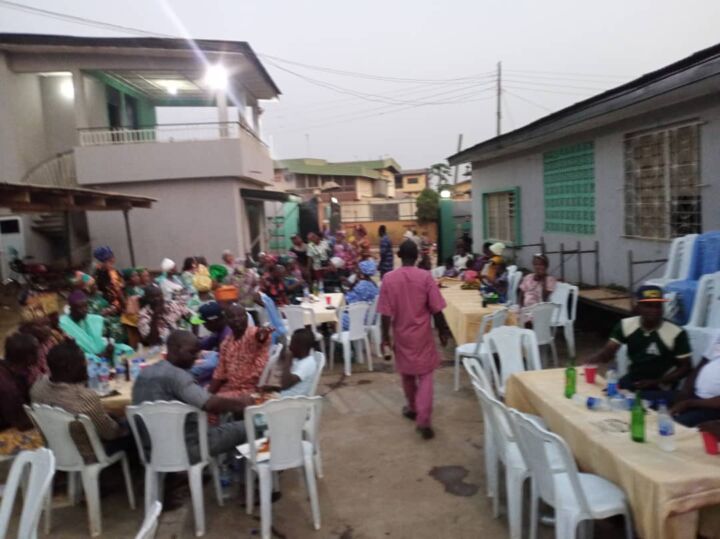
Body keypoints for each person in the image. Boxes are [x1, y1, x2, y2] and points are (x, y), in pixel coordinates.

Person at [132, 330, 251, 461]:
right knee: (251, 426)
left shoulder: (144, 373)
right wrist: (242, 403)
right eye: (192, 352)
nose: (196, 357)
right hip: (188, 449)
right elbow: (209, 404)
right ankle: (250, 475)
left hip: (152, 451)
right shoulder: (177, 376)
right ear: (175, 349)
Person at [378, 240, 450, 440]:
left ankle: (412, 408)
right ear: (417, 256)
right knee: (426, 375)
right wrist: (443, 330)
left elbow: (385, 313)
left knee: (407, 374)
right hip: (423, 335)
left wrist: (385, 336)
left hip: (401, 335)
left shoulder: (389, 279)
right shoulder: (425, 277)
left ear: (399, 256)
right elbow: (436, 308)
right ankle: (424, 419)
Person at [586, 285, 692, 399]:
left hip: (661, 384)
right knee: (607, 396)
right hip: (634, 379)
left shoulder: (676, 332)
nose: (654, 310)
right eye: (648, 306)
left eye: (658, 306)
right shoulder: (625, 325)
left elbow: (686, 367)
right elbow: (608, 353)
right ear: (638, 307)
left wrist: (656, 381)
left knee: (633, 403)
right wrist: (593, 360)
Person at [30, 340, 129, 455]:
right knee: (134, 425)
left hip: (56, 448)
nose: (86, 365)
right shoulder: (85, 398)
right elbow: (110, 434)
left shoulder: (37, 387)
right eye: (83, 362)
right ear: (71, 368)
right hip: (88, 452)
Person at [208, 304, 273, 399]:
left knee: (213, 402)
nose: (237, 319)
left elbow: (261, 337)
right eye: (232, 317)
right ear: (226, 321)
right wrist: (207, 395)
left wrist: (262, 335)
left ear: (247, 318)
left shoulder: (252, 333)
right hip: (231, 387)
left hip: (251, 390)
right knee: (203, 395)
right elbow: (219, 373)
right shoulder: (226, 343)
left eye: (241, 316)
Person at [0, 333, 44, 456]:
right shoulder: (8, 388)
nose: (40, 353)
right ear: (29, 357)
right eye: (37, 351)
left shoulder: (10, 368)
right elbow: (22, 423)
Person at [669, 331, 720, 426]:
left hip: (713, 407)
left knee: (672, 426)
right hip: (694, 396)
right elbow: (703, 362)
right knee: (643, 400)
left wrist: (689, 403)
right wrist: (685, 391)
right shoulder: (718, 334)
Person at [17, 292, 65, 383]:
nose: (47, 328)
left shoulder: (51, 337)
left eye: (47, 324)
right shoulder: (28, 350)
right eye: (41, 326)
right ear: (28, 328)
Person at [59, 290, 114, 360]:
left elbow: (102, 338)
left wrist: (109, 344)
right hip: (83, 360)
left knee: (126, 350)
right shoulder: (64, 324)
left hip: (102, 352)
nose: (84, 310)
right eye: (80, 307)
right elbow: (73, 353)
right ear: (71, 309)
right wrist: (99, 356)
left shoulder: (91, 319)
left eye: (86, 306)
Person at [266, 328, 318, 397]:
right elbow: (281, 357)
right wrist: (273, 388)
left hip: (290, 402)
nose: (289, 346)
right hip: (282, 396)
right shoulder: (298, 358)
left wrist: (288, 360)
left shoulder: (307, 364)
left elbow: (285, 385)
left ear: (300, 347)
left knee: (249, 401)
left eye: (292, 343)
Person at [93, 246, 126, 343]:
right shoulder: (106, 273)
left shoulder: (104, 272)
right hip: (110, 306)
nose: (113, 259)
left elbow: (119, 292)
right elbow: (118, 291)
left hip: (110, 306)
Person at [342, 259, 379, 330]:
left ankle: (346, 338)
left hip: (364, 319)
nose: (356, 271)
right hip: (372, 316)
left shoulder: (362, 285)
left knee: (340, 317)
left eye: (358, 269)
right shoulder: (372, 283)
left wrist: (346, 290)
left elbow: (348, 301)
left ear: (362, 271)